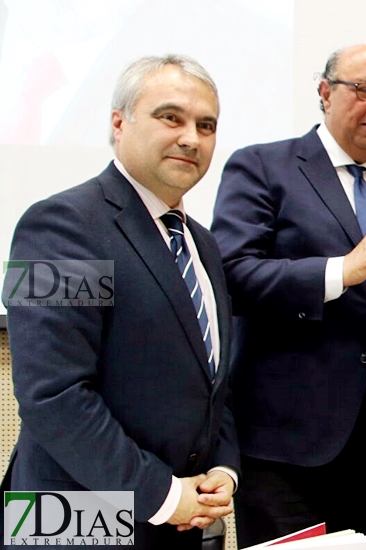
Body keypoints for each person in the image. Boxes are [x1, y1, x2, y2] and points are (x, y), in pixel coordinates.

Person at [209, 44, 366, 547]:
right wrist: (342, 270)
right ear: (325, 92)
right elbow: (232, 275)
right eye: (364, 89)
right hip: (279, 441)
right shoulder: (263, 167)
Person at [3, 54, 237, 549]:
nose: (191, 137)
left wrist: (223, 469)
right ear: (118, 122)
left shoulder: (204, 245)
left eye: (206, 125)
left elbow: (212, 381)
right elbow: (54, 396)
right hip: (74, 521)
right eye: (170, 117)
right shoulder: (60, 226)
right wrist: (165, 496)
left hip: (178, 523)